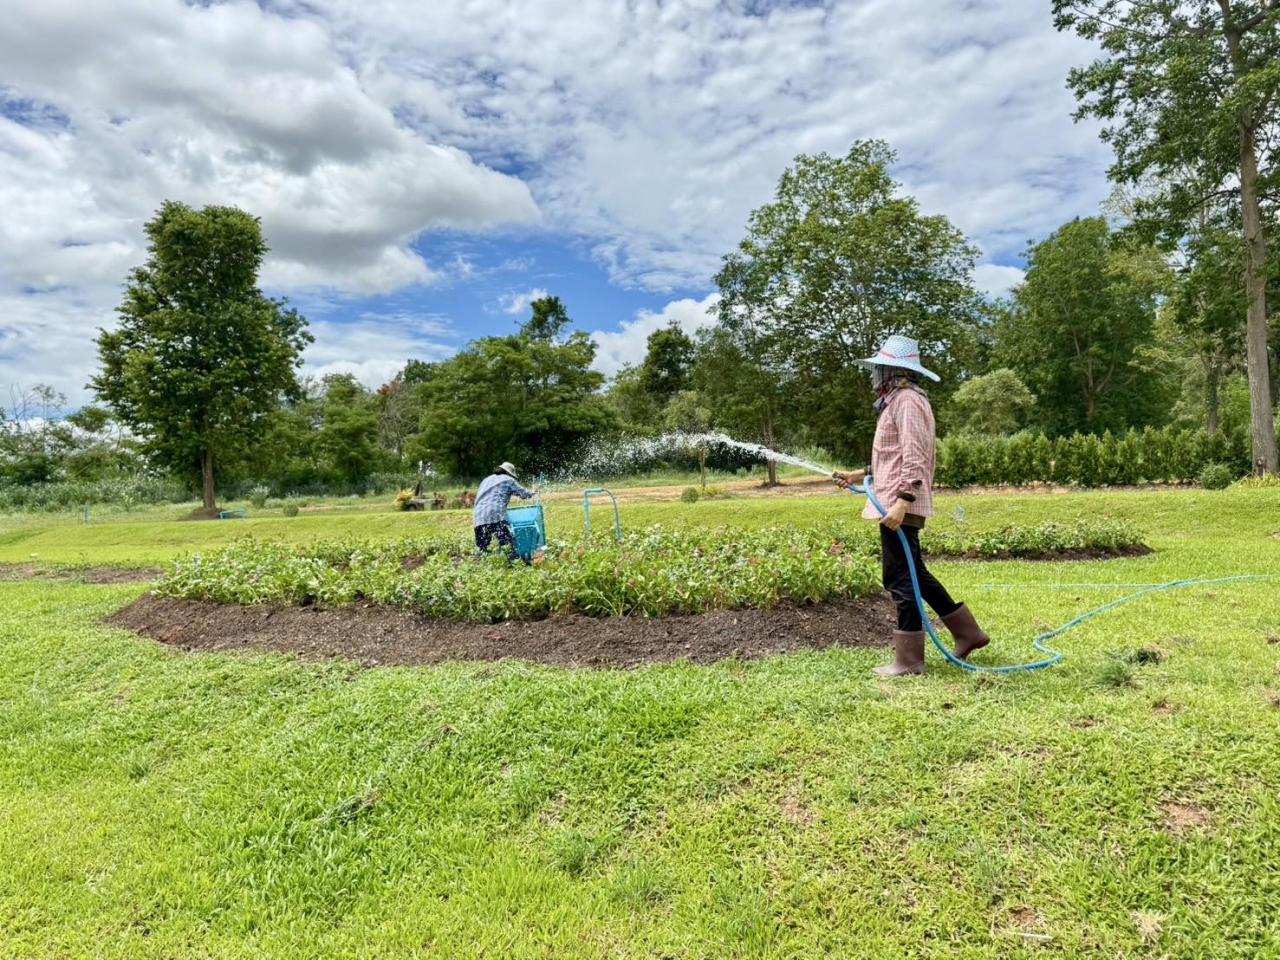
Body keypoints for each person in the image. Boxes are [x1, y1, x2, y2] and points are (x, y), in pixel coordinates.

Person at [834, 334, 990, 676]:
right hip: (894, 498)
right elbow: (894, 456)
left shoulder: (906, 401)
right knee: (914, 573)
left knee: (900, 578)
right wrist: (858, 474)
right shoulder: (898, 402)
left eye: (879, 368)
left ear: (892, 370)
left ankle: (909, 661)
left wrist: (903, 501)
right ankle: (969, 634)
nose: (875, 374)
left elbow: (915, 455)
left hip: (899, 504)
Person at [472, 461, 538, 561]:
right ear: (509, 473)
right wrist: (533, 491)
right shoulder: (508, 479)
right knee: (509, 547)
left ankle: (478, 566)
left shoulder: (486, 480)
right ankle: (515, 565)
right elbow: (523, 494)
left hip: (478, 517)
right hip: (495, 515)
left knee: (482, 548)